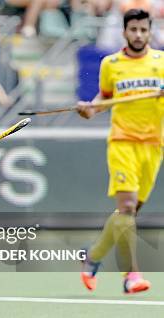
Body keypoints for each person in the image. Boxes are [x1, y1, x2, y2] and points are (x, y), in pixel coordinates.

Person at [77, 9, 163, 294]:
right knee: (127, 207)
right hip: (122, 141)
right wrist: (90, 107)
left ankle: (92, 257)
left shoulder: (162, 63)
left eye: (143, 30)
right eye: (133, 30)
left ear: (150, 32)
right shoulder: (110, 64)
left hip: (153, 145)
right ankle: (132, 275)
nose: (138, 35)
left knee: (128, 214)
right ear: (124, 32)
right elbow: (105, 97)